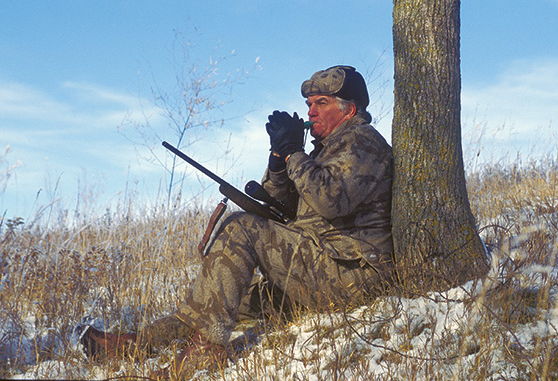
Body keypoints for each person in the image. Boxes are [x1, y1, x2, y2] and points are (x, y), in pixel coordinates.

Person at [82, 65, 394, 373]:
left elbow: (329, 200)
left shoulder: (362, 142)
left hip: (350, 274)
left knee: (240, 225)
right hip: (322, 269)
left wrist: (294, 154)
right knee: (220, 294)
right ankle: (137, 344)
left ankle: (206, 353)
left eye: (321, 103)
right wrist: (278, 159)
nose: (311, 112)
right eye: (309, 104)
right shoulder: (321, 152)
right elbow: (283, 205)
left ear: (350, 110)